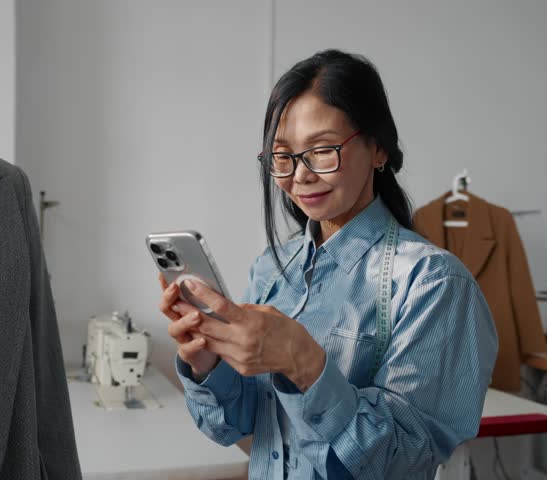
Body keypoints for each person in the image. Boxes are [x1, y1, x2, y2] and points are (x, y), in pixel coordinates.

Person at [158, 49, 498, 480]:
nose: (299, 176)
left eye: (322, 150)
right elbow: (238, 425)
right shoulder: (270, 270)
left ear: (378, 149)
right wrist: (206, 363)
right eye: (282, 156)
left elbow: (403, 460)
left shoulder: (432, 283)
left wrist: (305, 362)